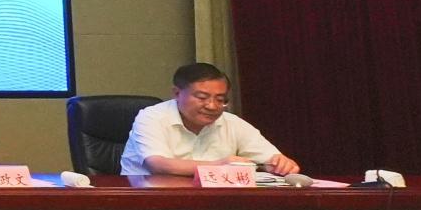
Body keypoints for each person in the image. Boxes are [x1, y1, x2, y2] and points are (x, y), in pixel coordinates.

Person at [121, 61, 299, 179]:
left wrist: (280, 164)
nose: (213, 106)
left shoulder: (232, 123)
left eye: (220, 99)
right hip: (152, 200)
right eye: (202, 97)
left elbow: (271, 159)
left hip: (213, 202)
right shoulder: (152, 117)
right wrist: (218, 166)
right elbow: (158, 164)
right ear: (177, 93)